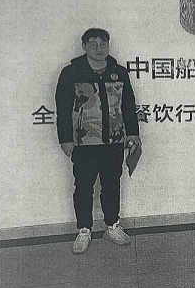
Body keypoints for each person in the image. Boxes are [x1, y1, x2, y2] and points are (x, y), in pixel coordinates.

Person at [55, 28, 142, 253]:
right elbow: (63, 109)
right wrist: (66, 139)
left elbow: (128, 105)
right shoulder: (71, 73)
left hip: (114, 141)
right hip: (83, 143)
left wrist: (133, 133)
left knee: (112, 185)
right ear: (84, 46)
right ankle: (84, 230)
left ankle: (112, 225)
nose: (99, 48)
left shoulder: (119, 72)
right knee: (83, 187)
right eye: (93, 44)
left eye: (103, 44)